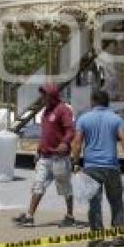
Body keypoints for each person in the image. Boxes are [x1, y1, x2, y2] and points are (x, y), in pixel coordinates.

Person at [71, 90, 124, 247]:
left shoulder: (83, 119)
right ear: (107, 103)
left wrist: (76, 162)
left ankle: (97, 236)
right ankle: (118, 235)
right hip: (111, 166)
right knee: (116, 201)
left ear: (93, 101)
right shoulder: (116, 118)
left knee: (94, 203)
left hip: (91, 167)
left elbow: (77, 143)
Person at [13, 84, 76, 227]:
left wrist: (65, 143)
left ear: (52, 95)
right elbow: (45, 134)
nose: (42, 97)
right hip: (45, 157)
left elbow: (71, 130)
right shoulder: (46, 112)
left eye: (45, 95)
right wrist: (39, 151)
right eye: (42, 95)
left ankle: (70, 216)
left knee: (65, 188)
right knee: (38, 185)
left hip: (60, 158)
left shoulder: (63, 110)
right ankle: (29, 217)